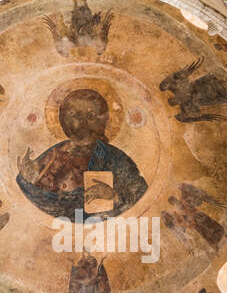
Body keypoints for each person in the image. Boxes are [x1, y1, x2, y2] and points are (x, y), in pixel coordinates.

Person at [17, 89, 147, 219]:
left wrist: (114, 196)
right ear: (63, 119)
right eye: (76, 115)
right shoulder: (53, 154)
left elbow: (141, 197)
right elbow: (30, 199)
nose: (84, 123)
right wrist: (27, 179)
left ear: (104, 120)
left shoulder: (116, 158)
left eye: (91, 116)